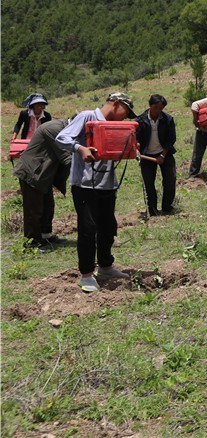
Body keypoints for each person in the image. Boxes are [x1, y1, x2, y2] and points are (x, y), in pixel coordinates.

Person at [55, 92, 137, 292]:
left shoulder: (115, 127)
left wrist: (130, 149)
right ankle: (86, 274)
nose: (125, 117)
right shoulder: (87, 116)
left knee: (108, 226)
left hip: (107, 184)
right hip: (85, 185)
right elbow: (61, 138)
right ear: (116, 104)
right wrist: (80, 148)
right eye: (126, 112)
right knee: (88, 229)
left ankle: (106, 266)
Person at [13, 118, 72, 250]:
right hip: (32, 172)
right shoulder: (54, 129)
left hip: (44, 173)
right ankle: (32, 242)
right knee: (33, 210)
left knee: (47, 206)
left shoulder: (63, 129)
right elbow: (66, 157)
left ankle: (45, 236)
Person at [136, 94, 177, 216]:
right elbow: (136, 139)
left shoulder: (168, 119)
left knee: (170, 180)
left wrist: (162, 156)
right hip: (147, 155)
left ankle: (167, 207)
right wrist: (137, 151)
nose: (158, 110)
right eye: (155, 107)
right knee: (149, 183)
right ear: (150, 105)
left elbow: (171, 139)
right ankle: (152, 209)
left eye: (161, 108)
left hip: (165, 153)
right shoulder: (140, 121)